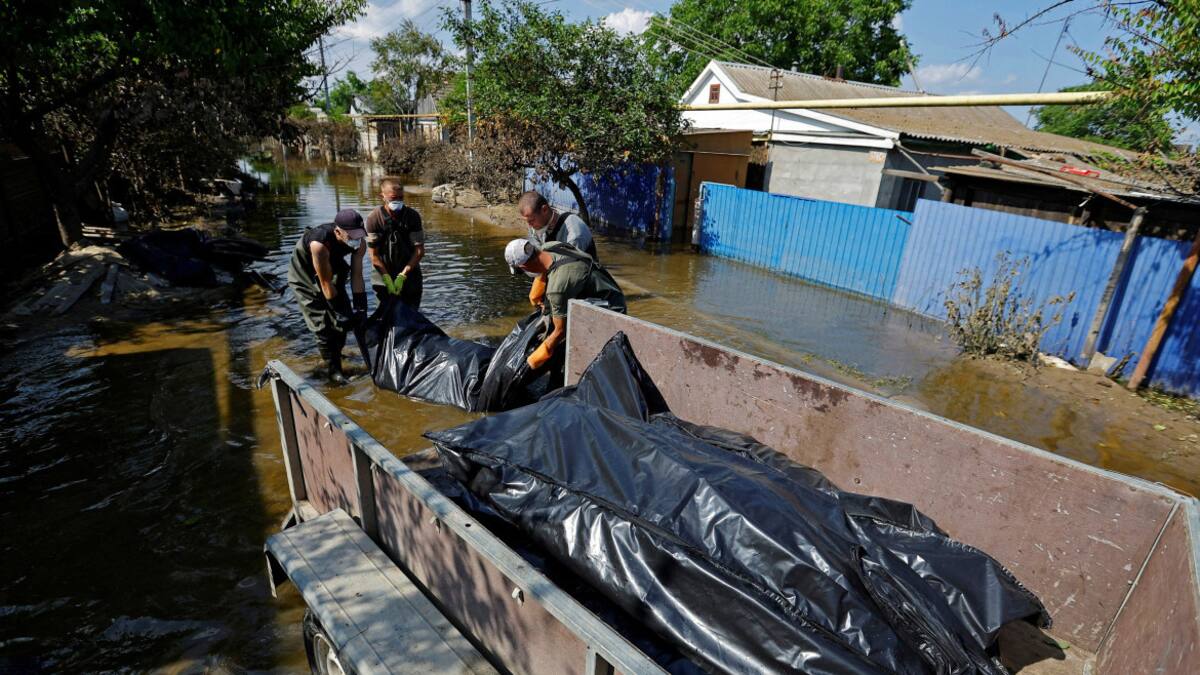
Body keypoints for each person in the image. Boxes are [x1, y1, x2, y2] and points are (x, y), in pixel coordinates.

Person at [504, 238, 626, 384]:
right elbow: (545, 270)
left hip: (611, 310)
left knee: (564, 351)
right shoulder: (551, 246)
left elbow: (559, 332)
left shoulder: (557, 289)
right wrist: (535, 295)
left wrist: (535, 358)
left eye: (519, 271)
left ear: (525, 266)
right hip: (606, 289)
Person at [287, 209, 368, 384]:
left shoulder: (360, 244)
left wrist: (360, 308)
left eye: (360, 235)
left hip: (333, 267)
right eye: (352, 235)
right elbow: (324, 283)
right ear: (338, 231)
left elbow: (357, 276)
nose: (357, 239)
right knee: (322, 323)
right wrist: (338, 311)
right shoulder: (319, 243)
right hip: (305, 275)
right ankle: (333, 369)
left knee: (343, 323)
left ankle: (337, 351)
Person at [366, 177, 424, 308]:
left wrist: (403, 275)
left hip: (410, 272)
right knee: (384, 314)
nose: (397, 201)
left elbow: (419, 251)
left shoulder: (412, 216)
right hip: (382, 272)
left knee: (411, 313)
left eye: (401, 198)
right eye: (393, 198)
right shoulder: (373, 218)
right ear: (382, 196)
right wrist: (387, 279)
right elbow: (374, 256)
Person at [518, 191, 597, 260]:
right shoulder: (536, 227)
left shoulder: (573, 228)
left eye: (531, 220)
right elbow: (537, 257)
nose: (530, 225)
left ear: (544, 210)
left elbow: (569, 264)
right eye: (527, 221)